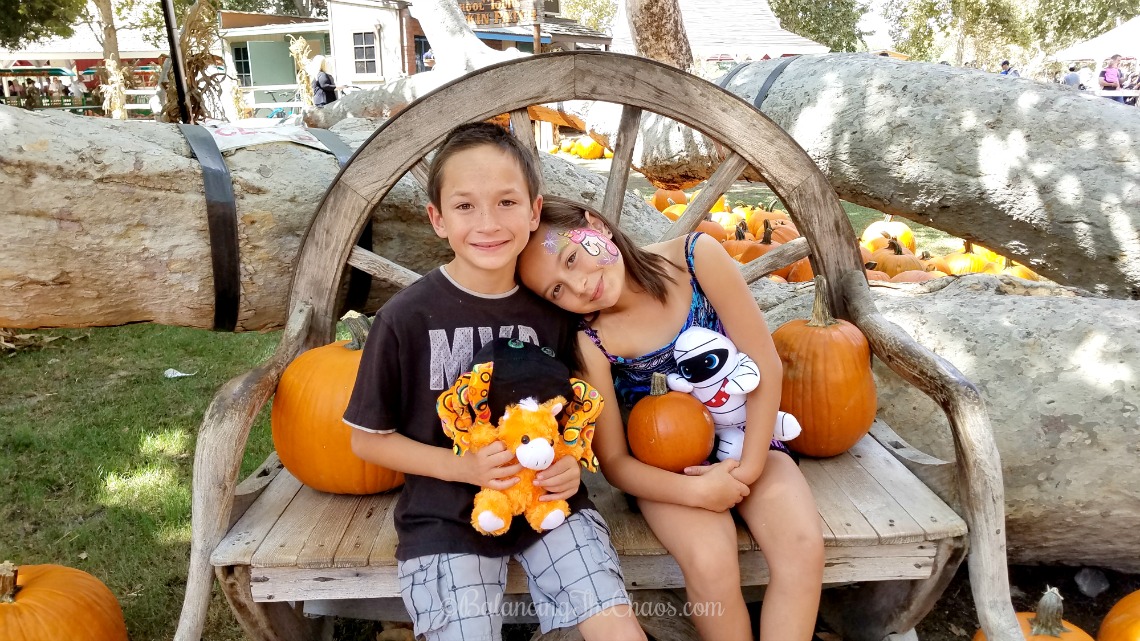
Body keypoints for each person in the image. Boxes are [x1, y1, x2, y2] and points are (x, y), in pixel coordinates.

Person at [343, 122, 645, 641]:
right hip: (444, 517)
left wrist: (572, 464)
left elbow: (575, 411)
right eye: (465, 206)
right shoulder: (406, 317)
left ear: (534, 211)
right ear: (437, 219)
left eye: (507, 202)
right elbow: (364, 438)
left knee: (615, 627)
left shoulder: (554, 310)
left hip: (551, 504)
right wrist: (459, 466)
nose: (488, 222)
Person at [517, 200, 826, 641]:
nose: (580, 285)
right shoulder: (591, 341)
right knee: (709, 562)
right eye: (557, 291)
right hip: (667, 470)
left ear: (596, 225)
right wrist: (696, 490)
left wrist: (749, 469)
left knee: (801, 547)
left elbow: (764, 364)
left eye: (572, 257)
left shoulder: (698, 259)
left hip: (749, 438)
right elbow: (617, 463)